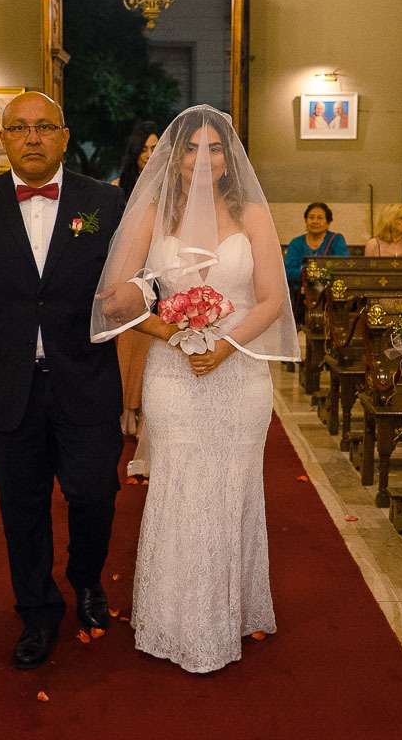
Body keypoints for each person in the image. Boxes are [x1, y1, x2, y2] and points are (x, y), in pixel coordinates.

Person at [0, 92, 127, 671]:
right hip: (7, 384)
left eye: (43, 127)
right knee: (22, 506)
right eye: (19, 128)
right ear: (3, 139)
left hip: (85, 378)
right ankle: (37, 611)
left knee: (94, 493)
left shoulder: (106, 202)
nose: (32, 138)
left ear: (64, 136)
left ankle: (86, 580)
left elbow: (139, 280)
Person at [91, 105, 299, 673]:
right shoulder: (152, 214)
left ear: (228, 160)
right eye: (191, 149)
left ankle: (228, 612)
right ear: (174, 158)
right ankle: (174, 618)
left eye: (213, 150)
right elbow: (113, 297)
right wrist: (170, 331)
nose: (202, 160)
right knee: (179, 484)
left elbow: (272, 300)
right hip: (173, 372)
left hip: (240, 371)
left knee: (232, 486)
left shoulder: (254, 215)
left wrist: (227, 346)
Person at [112, 121, 162, 439]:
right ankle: (126, 410)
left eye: (155, 148)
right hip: (130, 271)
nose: (148, 154)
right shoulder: (119, 187)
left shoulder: (171, 186)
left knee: (153, 343)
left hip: (162, 268)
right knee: (130, 340)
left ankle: (150, 409)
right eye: (143, 149)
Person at [283, 202, 348, 324]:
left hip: (331, 294)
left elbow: (343, 266)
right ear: (306, 220)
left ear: (328, 222)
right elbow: (288, 271)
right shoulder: (297, 243)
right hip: (300, 295)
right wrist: (310, 277)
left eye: (320, 218)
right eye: (311, 217)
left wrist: (312, 274)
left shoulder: (336, 239)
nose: (315, 221)